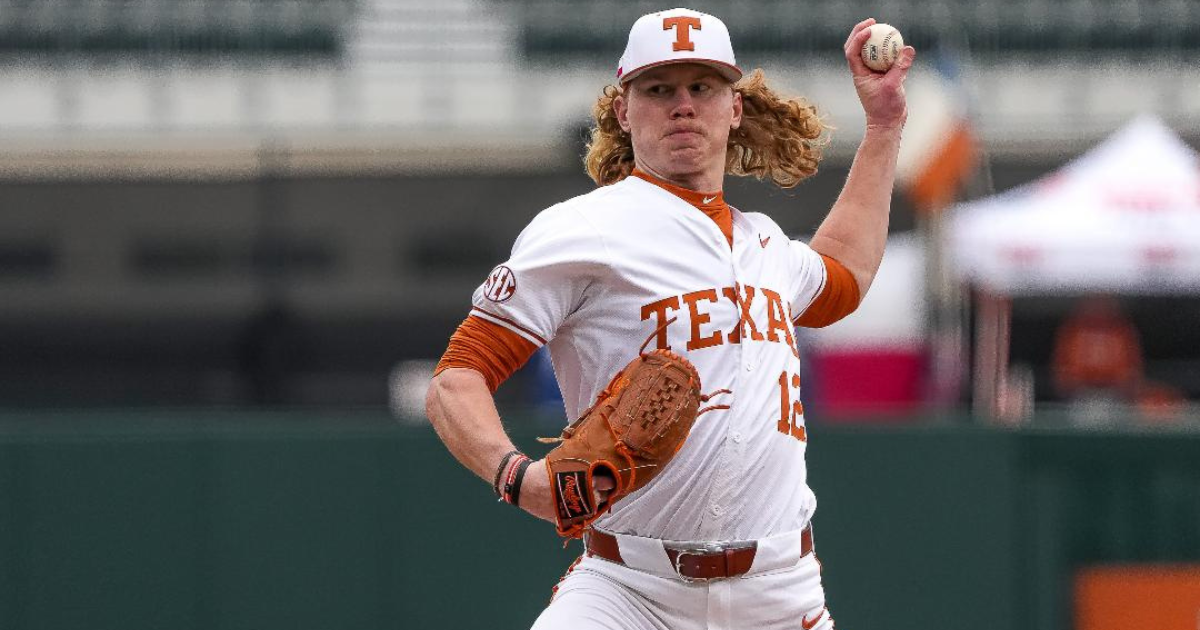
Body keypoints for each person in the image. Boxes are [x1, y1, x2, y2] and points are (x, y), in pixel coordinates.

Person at [425, 8, 914, 629]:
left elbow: (846, 275)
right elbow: (455, 378)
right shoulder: (584, 229)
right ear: (624, 111)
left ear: (734, 107)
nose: (683, 105)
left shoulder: (766, 245)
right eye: (659, 89)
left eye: (702, 87)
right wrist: (516, 476)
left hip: (780, 594)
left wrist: (885, 124)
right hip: (629, 590)